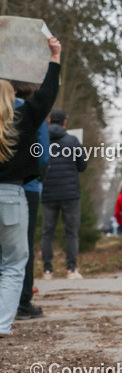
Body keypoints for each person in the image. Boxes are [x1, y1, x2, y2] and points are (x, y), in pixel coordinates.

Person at [0, 36, 61, 338]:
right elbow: (48, 94)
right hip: (15, 193)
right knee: (14, 263)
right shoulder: (26, 117)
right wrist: (54, 58)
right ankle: (3, 321)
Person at [11, 82, 49, 319]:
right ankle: (23, 302)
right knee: (23, 246)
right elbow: (43, 155)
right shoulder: (34, 113)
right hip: (27, 187)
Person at [40, 108, 88, 279]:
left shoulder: (42, 140)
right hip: (70, 193)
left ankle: (47, 270)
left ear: (50, 121)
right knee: (71, 232)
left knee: (47, 233)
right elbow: (82, 165)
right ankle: (71, 269)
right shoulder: (73, 140)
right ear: (65, 122)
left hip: (48, 193)